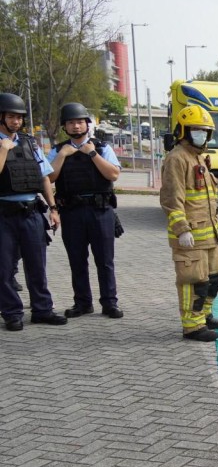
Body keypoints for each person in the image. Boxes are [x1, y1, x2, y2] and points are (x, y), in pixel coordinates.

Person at [47, 102, 123, 319]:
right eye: (71, 123)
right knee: (77, 260)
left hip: (100, 211)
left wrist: (92, 154)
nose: (76, 126)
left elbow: (113, 175)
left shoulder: (102, 147)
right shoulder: (57, 150)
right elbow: (49, 178)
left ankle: (109, 303)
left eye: (80, 122)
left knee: (105, 260)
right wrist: (62, 155)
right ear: (65, 126)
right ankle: (82, 303)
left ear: (87, 124)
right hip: (71, 212)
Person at [0, 92, 66, 332]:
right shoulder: (1, 145)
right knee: (4, 268)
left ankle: (42, 309)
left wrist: (53, 208)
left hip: (31, 213)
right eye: (11, 117)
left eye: (19, 117)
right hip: (4, 214)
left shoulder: (29, 143)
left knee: (37, 264)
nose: (16, 121)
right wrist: (4, 150)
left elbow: (44, 178)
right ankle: (12, 313)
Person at [159, 105, 218, 342]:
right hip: (190, 237)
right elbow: (170, 198)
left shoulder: (198, 157)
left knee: (215, 277)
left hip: (210, 236)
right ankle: (193, 326)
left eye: (205, 131)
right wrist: (181, 229)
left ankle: (205, 314)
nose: (202, 135)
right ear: (184, 131)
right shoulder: (177, 158)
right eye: (197, 130)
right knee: (193, 282)